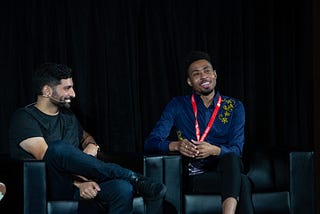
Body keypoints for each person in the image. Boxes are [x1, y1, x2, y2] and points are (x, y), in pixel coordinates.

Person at [9, 63, 167, 214]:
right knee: (57, 148)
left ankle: (129, 180)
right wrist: (79, 184)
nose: (73, 94)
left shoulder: (68, 116)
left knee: (122, 188)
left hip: (81, 180)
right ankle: (131, 176)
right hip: (52, 186)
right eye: (67, 88)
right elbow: (47, 157)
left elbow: (86, 137)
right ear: (47, 91)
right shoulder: (24, 118)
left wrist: (92, 145)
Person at [144, 51, 254, 214]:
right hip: (197, 174)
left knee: (231, 158)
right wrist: (176, 145)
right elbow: (150, 142)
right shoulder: (178, 105)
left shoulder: (234, 106)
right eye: (196, 74)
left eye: (207, 70)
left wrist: (213, 150)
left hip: (225, 167)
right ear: (190, 81)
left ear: (215, 75)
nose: (203, 76)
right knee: (242, 182)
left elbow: (237, 150)